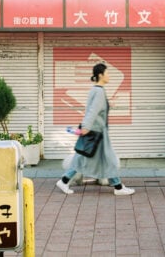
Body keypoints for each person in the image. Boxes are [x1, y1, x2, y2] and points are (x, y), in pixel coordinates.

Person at [56, 63, 135, 196]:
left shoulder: (96, 90)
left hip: (96, 131)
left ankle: (64, 181)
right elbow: (92, 111)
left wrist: (108, 105)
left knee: (85, 158)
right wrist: (86, 127)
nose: (109, 76)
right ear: (100, 75)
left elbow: (95, 109)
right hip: (96, 132)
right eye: (107, 73)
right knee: (107, 159)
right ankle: (118, 187)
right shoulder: (99, 91)